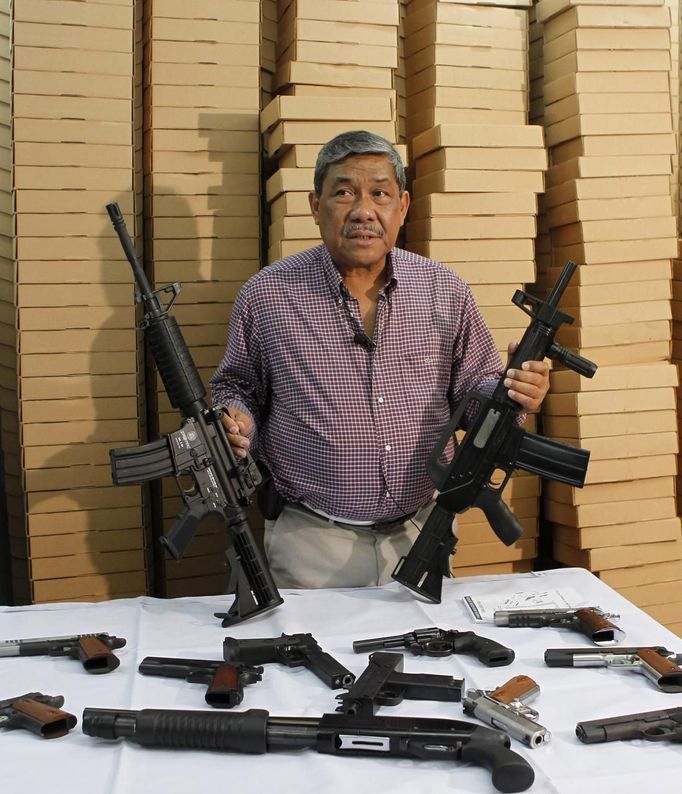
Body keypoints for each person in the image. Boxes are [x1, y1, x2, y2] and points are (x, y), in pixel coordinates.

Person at [210, 130, 549, 589]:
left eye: (379, 193)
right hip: (311, 538)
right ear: (315, 205)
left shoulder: (445, 291)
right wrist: (236, 421)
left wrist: (513, 392)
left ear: (403, 206)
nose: (363, 211)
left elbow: (475, 393)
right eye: (344, 192)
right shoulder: (268, 295)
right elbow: (237, 389)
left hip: (421, 530)